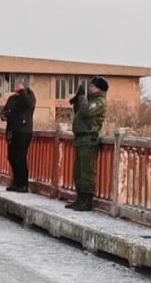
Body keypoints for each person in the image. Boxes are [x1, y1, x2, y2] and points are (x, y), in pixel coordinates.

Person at [66, 76, 109, 212]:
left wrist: (83, 98)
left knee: (87, 171)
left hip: (89, 139)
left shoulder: (100, 102)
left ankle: (87, 201)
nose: (89, 88)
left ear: (99, 89)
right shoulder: (90, 101)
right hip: (81, 139)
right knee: (78, 171)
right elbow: (79, 112)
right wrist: (78, 98)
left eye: (92, 86)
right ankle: (80, 198)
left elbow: (86, 112)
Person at [1, 82, 36, 193]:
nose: (16, 88)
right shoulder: (12, 98)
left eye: (19, 86)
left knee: (21, 158)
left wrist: (22, 92)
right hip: (12, 131)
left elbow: (29, 104)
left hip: (24, 131)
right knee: (11, 157)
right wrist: (4, 115)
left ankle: (23, 185)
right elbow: (6, 110)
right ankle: (16, 183)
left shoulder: (29, 95)